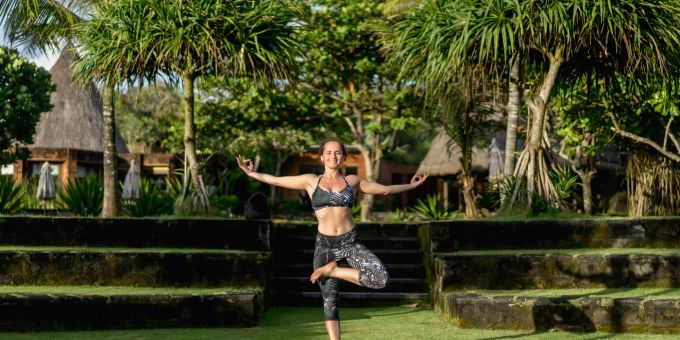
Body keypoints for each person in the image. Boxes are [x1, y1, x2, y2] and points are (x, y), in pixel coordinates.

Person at [236, 138, 428, 340]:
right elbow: (276, 180)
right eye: (328, 152)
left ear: (343, 157)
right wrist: (251, 173)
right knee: (330, 301)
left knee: (380, 278)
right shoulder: (310, 180)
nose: (333, 156)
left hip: (350, 242)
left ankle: (334, 270)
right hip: (325, 245)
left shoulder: (352, 181)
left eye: (337, 153)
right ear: (321, 157)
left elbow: (386, 189)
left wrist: (410, 186)